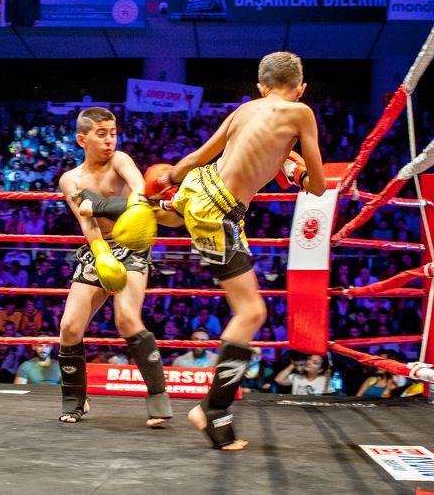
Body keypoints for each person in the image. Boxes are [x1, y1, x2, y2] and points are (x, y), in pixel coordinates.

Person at [80, 52, 324, 449]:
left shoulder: (245, 110)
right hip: (221, 211)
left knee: (172, 216)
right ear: (302, 87)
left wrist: (167, 178)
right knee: (252, 312)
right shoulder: (301, 112)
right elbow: (318, 187)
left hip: (199, 184)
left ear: (260, 88)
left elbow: (194, 159)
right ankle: (212, 410)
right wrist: (294, 166)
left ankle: (100, 204)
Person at [58, 107, 173, 427]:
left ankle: (158, 400)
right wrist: (100, 252)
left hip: (133, 243)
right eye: (101, 134)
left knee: (126, 318)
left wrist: (97, 203)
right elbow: (87, 222)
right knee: (69, 327)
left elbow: (141, 199)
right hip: (98, 248)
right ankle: (75, 399)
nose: (109, 140)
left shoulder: (121, 160)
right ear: (82, 139)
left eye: (113, 133)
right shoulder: (70, 179)